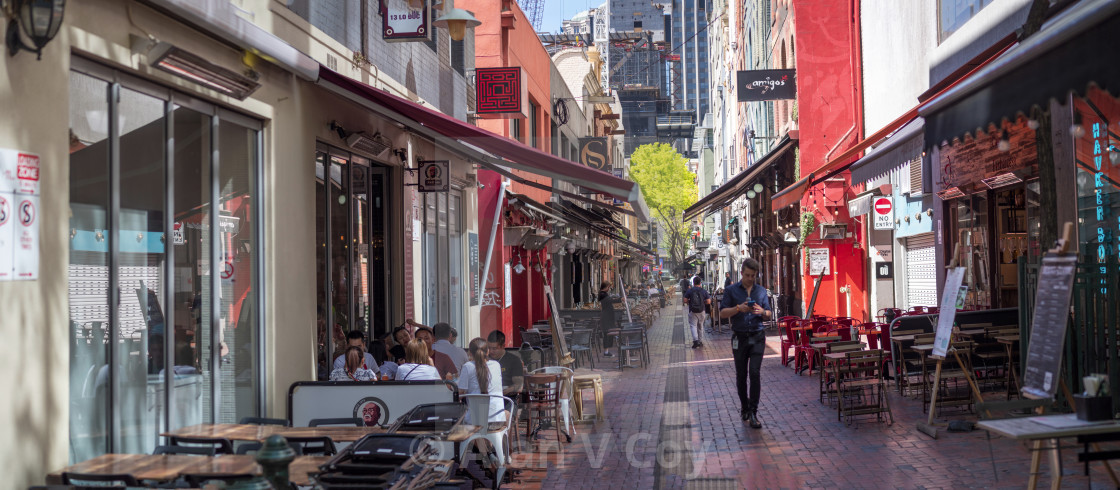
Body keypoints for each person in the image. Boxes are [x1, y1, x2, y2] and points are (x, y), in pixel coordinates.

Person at [719, 258, 772, 429]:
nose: (750, 278)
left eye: (753, 276)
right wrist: (737, 309)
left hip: (757, 336)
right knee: (741, 375)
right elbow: (721, 313)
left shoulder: (761, 291)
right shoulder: (731, 290)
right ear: (741, 273)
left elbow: (769, 313)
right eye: (747, 275)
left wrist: (763, 311)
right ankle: (744, 408)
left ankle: (754, 412)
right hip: (739, 338)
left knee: (754, 373)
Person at [459, 338, 506, 423]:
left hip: (475, 422)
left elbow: (460, 393)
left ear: (469, 352)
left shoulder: (467, 366)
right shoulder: (496, 365)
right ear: (487, 351)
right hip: (497, 421)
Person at [487, 330, 525, 396]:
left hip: (508, 398)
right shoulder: (485, 359)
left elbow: (519, 386)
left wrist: (508, 390)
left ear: (503, 346)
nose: (491, 351)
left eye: (494, 348)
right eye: (489, 348)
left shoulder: (514, 360)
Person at [683, 277, 711, 349]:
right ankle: (700, 341)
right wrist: (703, 302)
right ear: (700, 283)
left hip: (693, 311)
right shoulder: (703, 291)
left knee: (693, 326)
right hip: (702, 311)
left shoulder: (690, 290)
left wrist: (690, 301)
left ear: (693, 283)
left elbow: (685, 300)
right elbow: (708, 301)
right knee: (700, 326)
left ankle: (695, 341)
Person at [597, 281, 618, 357]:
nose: (609, 289)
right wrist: (619, 300)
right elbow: (610, 300)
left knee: (608, 333)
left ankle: (607, 351)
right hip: (606, 318)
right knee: (606, 333)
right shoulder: (602, 294)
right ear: (605, 287)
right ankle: (606, 352)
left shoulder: (604, 294)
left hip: (608, 317)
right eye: (608, 287)